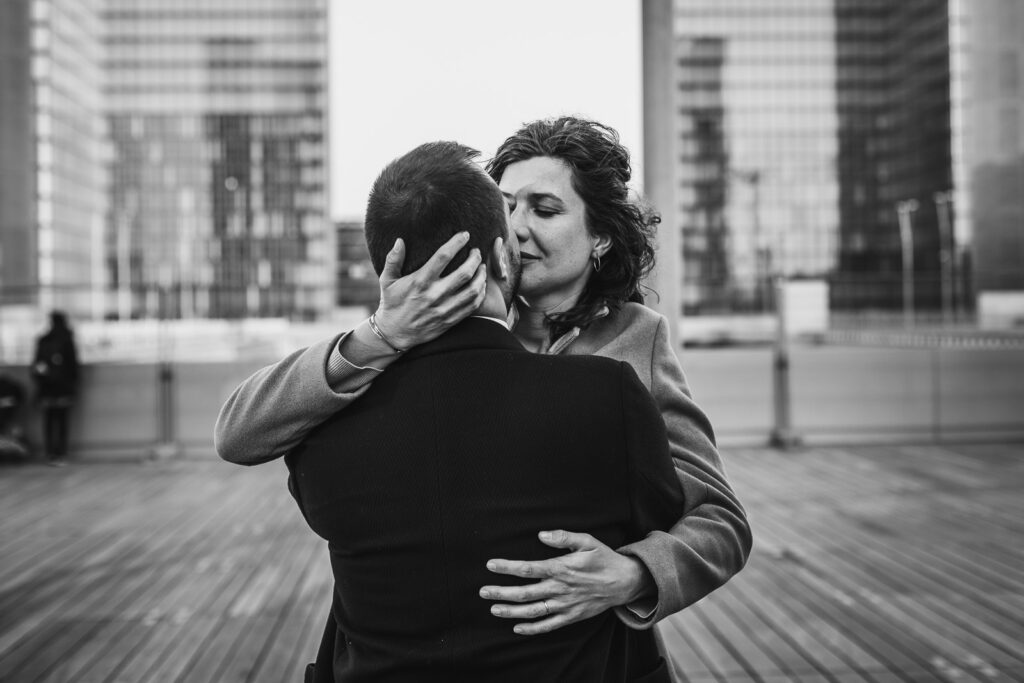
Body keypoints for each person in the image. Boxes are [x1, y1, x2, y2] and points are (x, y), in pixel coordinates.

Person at [217, 118, 750, 675]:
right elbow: (239, 432)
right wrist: (381, 334)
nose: (517, 228)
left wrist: (635, 574)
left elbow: (719, 520)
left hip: (580, 655)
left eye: (544, 210)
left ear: (600, 235)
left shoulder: (636, 340)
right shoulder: (422, 323)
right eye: (508, 206)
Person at [31, 311, 80, 465]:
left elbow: (36, 365)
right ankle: (61, 453)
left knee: (49, 420)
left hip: (47, 388)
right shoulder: (67, 339)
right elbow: (73, 367)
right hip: (64, 388)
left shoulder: (44, 340)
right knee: (62, 420)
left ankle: (50, 452)